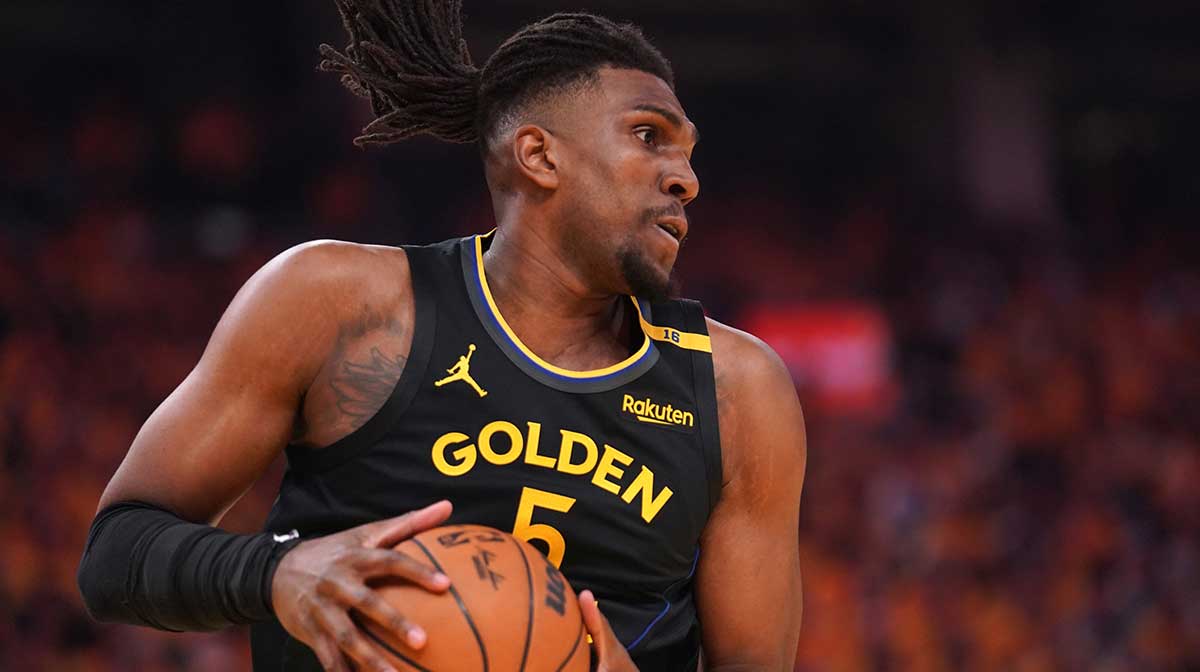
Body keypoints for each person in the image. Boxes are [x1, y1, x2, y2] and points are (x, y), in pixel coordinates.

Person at [77, 3, 806, 670]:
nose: (685, 178)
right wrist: (277, 571)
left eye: (688, 153)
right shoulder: (339, 305)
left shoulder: (736, 388)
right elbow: (115, 555)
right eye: (650, 136)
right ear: (539, 155)